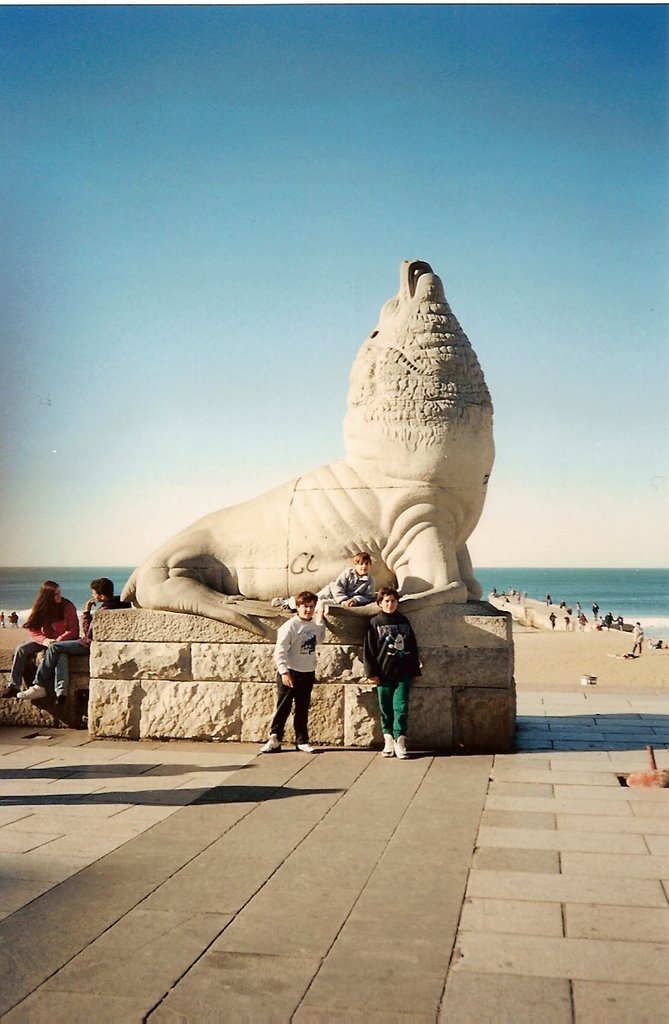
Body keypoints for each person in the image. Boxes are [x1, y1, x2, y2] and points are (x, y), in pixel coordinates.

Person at [21, 578, 131, 702]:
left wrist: (86, 611)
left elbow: (88, 633)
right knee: (60, 652)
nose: (92, 595)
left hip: (87, 644)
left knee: (55, 647)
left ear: (101, 596)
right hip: (94, 643)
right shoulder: (120, 605)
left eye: (94, 593)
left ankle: (39, 685)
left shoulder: (104, 611)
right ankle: (61, 693)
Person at [261, 591, 326, 754]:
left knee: (302, 708)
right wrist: (284, 672)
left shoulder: (313, 625)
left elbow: (319, 639)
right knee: (283, 707)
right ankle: (275, 738)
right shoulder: (290, 626)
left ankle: (302, 740)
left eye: (311, 607)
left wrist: (320, 619)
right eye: (305, 607)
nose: (308, 610)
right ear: (298, 607)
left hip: (307, 672)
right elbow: (280, 651)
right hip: (290, 672)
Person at [363, 586, 421, 760]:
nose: (390, 604)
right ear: (380, 603)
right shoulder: (375, 623)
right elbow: (369, 650)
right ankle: (388, 738)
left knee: (401, 707)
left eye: (393, 601)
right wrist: (371, 672)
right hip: (383, 673)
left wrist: (415, 671)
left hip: (403, 672)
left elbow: (412, 646)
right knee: (386, 708)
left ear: (397, 603)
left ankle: (400, 739)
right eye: (386, 601)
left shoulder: (404, 621)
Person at [2, 581, 79, 699]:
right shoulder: (41, 608)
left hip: (62, 642)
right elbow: (32, 629)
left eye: (60, 593)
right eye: (56, 594)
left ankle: (60, 693)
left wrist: (59, 639)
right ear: (47, 597)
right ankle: (14, 686)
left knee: (60, 656)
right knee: (21, 649)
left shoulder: (68, 606)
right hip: (45, 640)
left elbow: (73, 630)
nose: (59, 596)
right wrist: (45, 640)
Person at [273, 552, 375, 611]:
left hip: (341, 601)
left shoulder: (370, 581)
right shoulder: (348, 573)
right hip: (331, 592)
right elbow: (338, 586)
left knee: (319, 605)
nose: (364, 567)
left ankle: (296, 608)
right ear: (355, 565)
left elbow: (368, 596)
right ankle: (288, 602)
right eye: (361, 564)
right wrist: (343, 600)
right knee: (312, 599)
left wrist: (356, 600)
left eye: (366, 564)